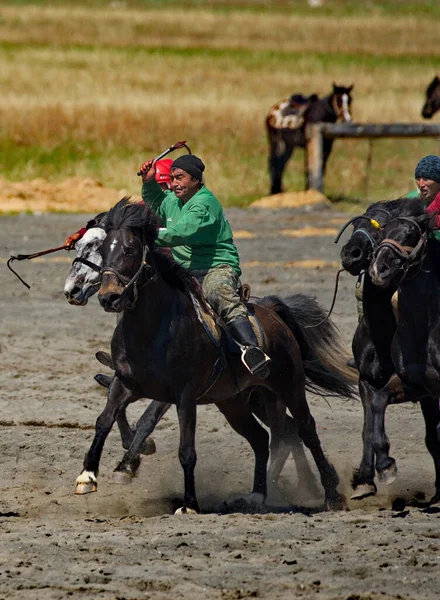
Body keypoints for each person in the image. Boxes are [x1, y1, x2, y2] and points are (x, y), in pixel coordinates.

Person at [138, 153, 271, 379]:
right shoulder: (172, 199)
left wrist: (145, 235)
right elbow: (157, 203)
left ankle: (251, 349)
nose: (174, 183)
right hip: (183, 268)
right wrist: (149, 182)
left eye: (180, 177)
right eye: (172, 178)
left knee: (216, 291)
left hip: (216, 267)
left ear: (196, 179)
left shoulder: (204, 204)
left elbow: (180, 233)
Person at [63, 158, 174, 249]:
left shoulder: (185, 208)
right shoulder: (142, 208)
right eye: (151, 185)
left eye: (159, 186)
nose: (153, 191)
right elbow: (110, 222)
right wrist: (82, 234)